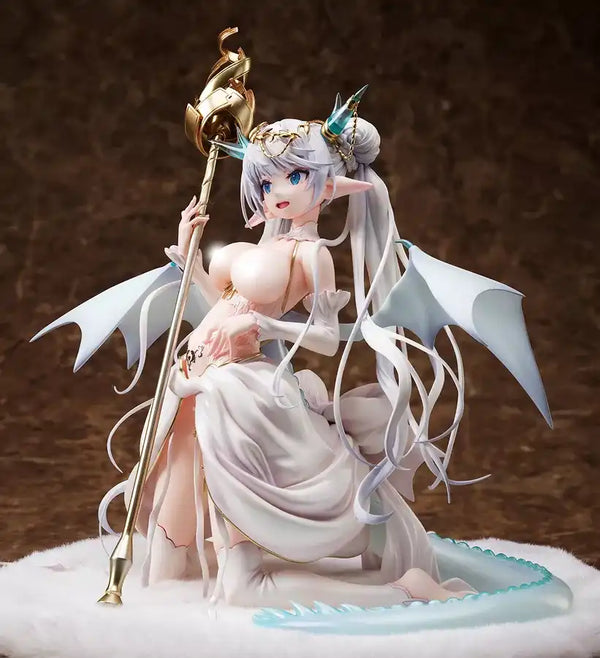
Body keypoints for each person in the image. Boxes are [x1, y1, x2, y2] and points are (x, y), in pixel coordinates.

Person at [98, 104, 479, 608]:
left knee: (241, 587)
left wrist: (265, 325)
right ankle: (167, 601)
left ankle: (403, 592)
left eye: (294, 176)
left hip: (237, 394)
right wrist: (189, 258)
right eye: (266, 180)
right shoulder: (263, 246)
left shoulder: (312, 254)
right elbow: (221, 306)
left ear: (328, 186)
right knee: (167, 565)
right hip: (190, 381)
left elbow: (325, 337)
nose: (276, 190)